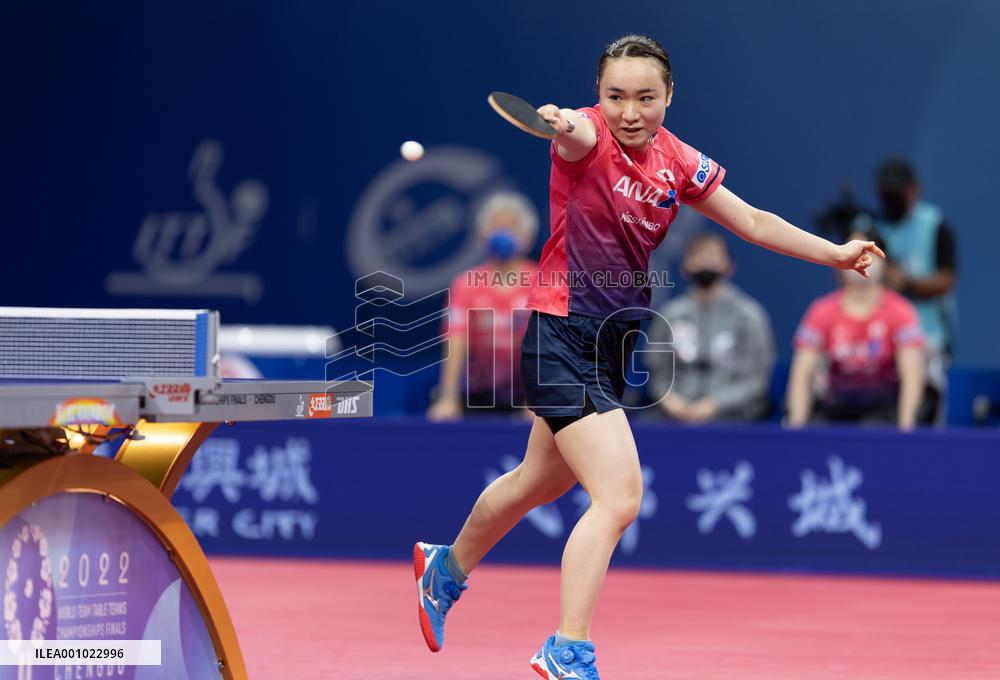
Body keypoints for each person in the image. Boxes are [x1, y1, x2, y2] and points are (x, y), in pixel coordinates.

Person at [414, 34, 884, 679]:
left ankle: (444, 568)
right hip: (561, 335)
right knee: (620, 497)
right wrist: (564, 122)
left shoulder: (678, 161)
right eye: (615, 97)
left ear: (668, 97)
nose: (629, 112)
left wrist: (834, 253)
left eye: (645, 97)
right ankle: (567, 648)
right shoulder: (585, 140)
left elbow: (751, 221)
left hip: (615, 342)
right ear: (598, 96)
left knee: (538, 482)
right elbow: (576, 132)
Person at [786, 231, 925, 429]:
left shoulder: (902, 312)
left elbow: (912, 378)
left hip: (882, 409)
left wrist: (906, 431)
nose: (864, 260)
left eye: (870, 253)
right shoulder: (821, 311)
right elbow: (801, 375)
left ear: (885, 263)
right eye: (856, 251)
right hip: (835, 406)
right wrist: (796, 429)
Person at [860, 158, 958, 423]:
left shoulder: (935, 225)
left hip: (927, 335)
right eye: (885, 192)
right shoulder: (871, 226)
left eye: (897, 191)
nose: (890, 199)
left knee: (922, 406)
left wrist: (906, 281)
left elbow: (946, 280)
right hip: (879, 337)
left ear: (914, 189)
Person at [427, 192, 538, 420]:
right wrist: (448, 397)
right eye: (496, 227)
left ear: (528, 238)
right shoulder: (465, 284)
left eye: (512, 227)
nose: (503, 234)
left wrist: (539, 397)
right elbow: (456, 340)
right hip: (476, 395)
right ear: (481, 235)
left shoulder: (543, 283)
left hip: (530, 396)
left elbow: (550, 344)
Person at [645, 232, 774, 423]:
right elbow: (657, 370)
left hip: (734, 418)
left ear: (729, 266)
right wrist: (671, 401)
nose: (705, 261)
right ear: (684, 266)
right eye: (698, 255)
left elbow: (757, 379)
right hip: (675, 416)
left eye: (713, 254)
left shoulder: (748, 315)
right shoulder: (670, 315)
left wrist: (715, 404)